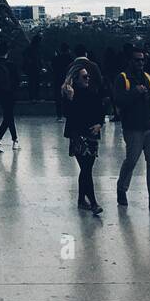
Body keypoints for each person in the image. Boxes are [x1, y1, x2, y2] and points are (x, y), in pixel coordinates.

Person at [113, 45, 150, 211]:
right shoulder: (122, 78)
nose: (140, 63)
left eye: (142, 60)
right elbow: (118, 100)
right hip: (133, 127)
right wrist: (135, 92)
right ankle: (122, 189)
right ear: (130, 61)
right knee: (131, 160)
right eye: (137, 60)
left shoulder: (148, 77)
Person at [62, 56, 105, 216]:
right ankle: (93, 203)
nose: (88, 79)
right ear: (76, 79)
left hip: (91, 134)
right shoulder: (70, 95)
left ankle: (81, 199)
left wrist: (99, 124)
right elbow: (69, 114)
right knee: (86, 169)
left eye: (88, 76)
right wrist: (71, 98)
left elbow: (101, 112)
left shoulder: (92, 93)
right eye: (84, 77)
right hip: (78, 135)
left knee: (86, 169)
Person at [0, 45, 19, 152]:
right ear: (8, 52)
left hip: (0, 93)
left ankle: (15, 140)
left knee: (8, 116)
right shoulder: (12, 65)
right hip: (11, 93)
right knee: (9, 116)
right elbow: (17, 80)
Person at [50, 42, 72, 121]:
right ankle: (68, 113)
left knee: (58, 98)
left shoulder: (55, 58)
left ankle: (59, 115)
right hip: (67, 79)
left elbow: (52, 67)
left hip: (57, 79)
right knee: (68, 97)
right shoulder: (70, 58)